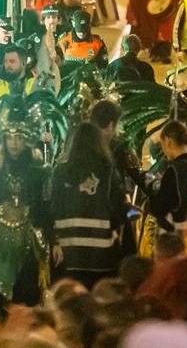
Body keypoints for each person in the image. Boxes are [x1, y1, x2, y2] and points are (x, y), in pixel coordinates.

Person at [0, 119, 49, 320]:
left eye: (18, 137)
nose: (14, 143)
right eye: (9, 138)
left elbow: (44, 208)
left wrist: (54, 239)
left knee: (25, 299)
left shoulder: (38, 169)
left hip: (28, 241)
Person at [49, 122, 129, 287]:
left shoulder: (60, 171)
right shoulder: (107, 169)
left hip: (68, 251)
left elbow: (53, 206)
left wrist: (54, 241)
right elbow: (119, 204)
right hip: (101, 252)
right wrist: (114, 227)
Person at [149, 121, 187, 241]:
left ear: (168, 141)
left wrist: (153, 187)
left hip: (179, 237)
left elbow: (158, 208)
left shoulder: (174, 170)